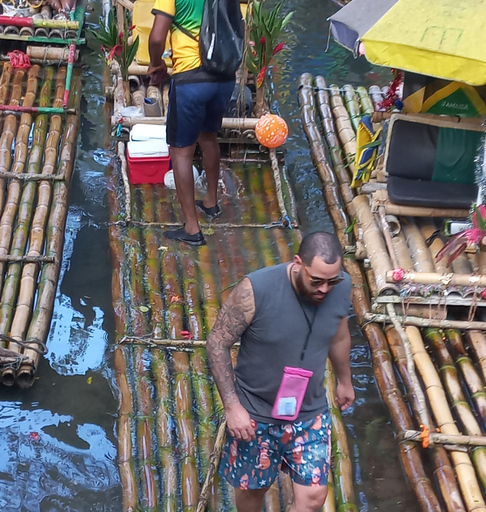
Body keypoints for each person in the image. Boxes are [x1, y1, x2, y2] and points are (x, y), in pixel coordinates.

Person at [206, 232, 355, 512]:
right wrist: (232, 406)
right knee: (253, 491)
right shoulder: (256, 289)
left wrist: (345, 381)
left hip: (310, 411)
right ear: (298, 263)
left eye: (332, 281)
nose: (325, 289)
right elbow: (217, 342)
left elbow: (339, 334)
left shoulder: (342, 287)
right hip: (256, 415)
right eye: (317, 281)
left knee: (313, 498)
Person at [148, 0, 236, 246]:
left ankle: (191, 227)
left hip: (191, 79)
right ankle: (210, 202)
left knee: (181, 152)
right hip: (224, 76)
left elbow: (157, 38)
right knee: (208, 137)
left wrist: (157, 64)